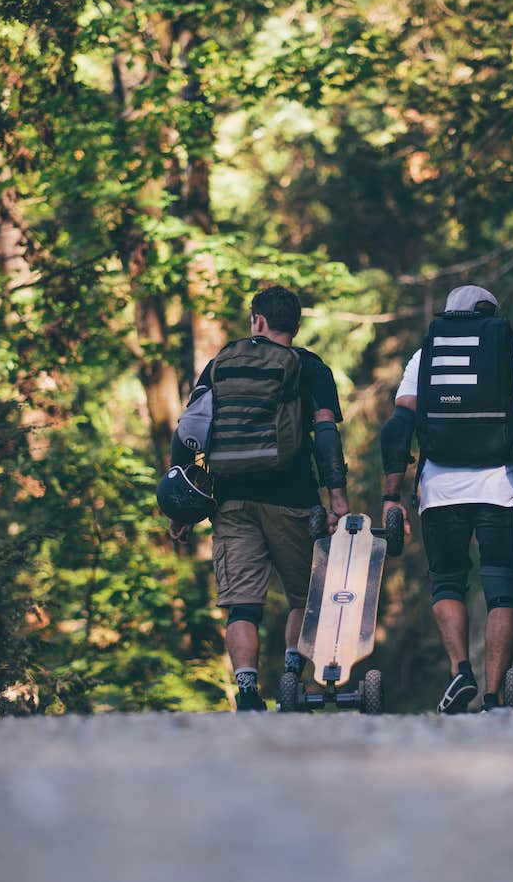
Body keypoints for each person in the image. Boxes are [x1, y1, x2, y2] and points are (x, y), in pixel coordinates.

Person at [379, 284, 513, 713]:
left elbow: (398, 426)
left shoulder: (424, 357)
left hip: (440, 488)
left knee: (447, 581)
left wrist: (391, 496)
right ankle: (493, 695)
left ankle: (460, 671)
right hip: (501, 487)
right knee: (502, 588)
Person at [164, 285, 350, 712]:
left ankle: (247, 692)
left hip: (231, 502)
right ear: (296, 327)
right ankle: (291, 681)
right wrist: (336, 497)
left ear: (257, 321)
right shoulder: (310, 367)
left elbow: (188, 432)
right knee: (305, 597)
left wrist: (183, 506)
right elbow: (325, 435)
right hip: (294, 499)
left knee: (242, 605)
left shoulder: (219, 366)